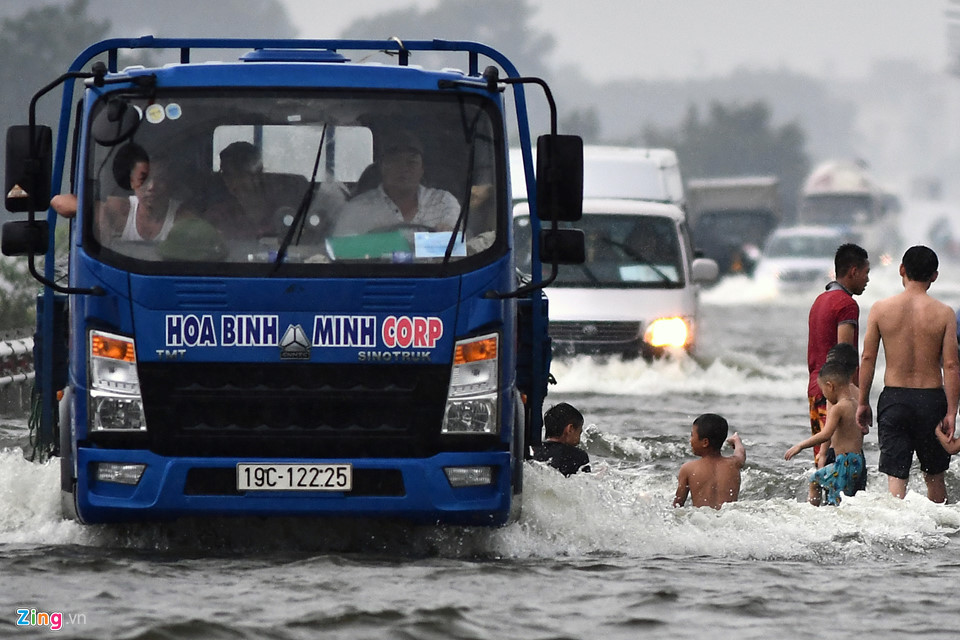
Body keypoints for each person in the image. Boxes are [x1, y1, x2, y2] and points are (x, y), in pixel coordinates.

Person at [857, 245, 960, 503]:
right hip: (931, 400)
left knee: (896, 479)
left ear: (901, 270)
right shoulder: (944, 313)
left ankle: (897, 531)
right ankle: (940, 536)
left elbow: (867, 358)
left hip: (895, 399)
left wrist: (862, 402)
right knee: (935, 477)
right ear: (934, 276)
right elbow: (951, 366)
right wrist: (951, 412)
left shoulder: (881, 309)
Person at [805, 242, 870, 505]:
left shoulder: (820, 300)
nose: (867, 280)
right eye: (866, 272)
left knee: (823, 467)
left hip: (816, 389)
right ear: (852, 271)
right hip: (835, 394)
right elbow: (843, 356)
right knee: (842, 467)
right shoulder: (846, 305)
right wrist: (858, 399)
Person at [332, 129, 460, 236]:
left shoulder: (444, 202)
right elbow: (342, 253)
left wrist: (446, 232)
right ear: (382, 167)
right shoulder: (357, 209)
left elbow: (458, 249)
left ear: (422, 169)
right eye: (395, 161)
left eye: (412, 162)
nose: (404, 169)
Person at [785, 361, 865, 505]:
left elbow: (826, 434)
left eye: (823, 391)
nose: (824, 396)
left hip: (844, 462)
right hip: (857, 461)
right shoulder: (855, 404)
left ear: (830, 386)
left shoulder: (838, 408)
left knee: (834, 500)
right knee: (844, 498)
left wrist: (800, 446)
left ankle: (814, 514)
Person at [98, 143, 194, 243]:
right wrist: (101, 216)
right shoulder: (119, 208)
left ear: (170, 182)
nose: (151, 187)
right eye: (143, 179)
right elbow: (83, 203)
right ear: (132, 182)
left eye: (160, 179)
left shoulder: (184, 219)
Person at [673, 413, 745, 509]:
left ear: (705, 442)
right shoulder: (734, 464)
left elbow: (677, 505)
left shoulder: (688, 469)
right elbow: (741, 453)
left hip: (701, 520)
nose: (690, 440)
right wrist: (736, 440)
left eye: (692, 435)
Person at [532, 402, 591, 476]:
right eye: (579, 433)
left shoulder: (534, 450)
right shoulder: (578, 456)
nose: (578, 441)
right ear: (570, 429)